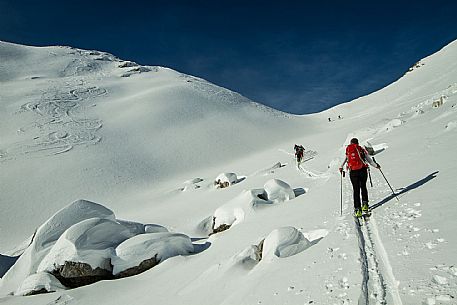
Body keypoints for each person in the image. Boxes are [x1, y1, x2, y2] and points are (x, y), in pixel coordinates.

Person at [339, 138, 380, 217]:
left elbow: (345, 159)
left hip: (353, 172)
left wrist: (341, 167)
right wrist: (376, 166)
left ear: (351, 143)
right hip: (362, 170)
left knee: (356, 189)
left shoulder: (348, 150)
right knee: (363, 187)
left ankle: (358, 210)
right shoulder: (361, 149)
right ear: (357, 143)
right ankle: (365, 205)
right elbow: (369, 161)